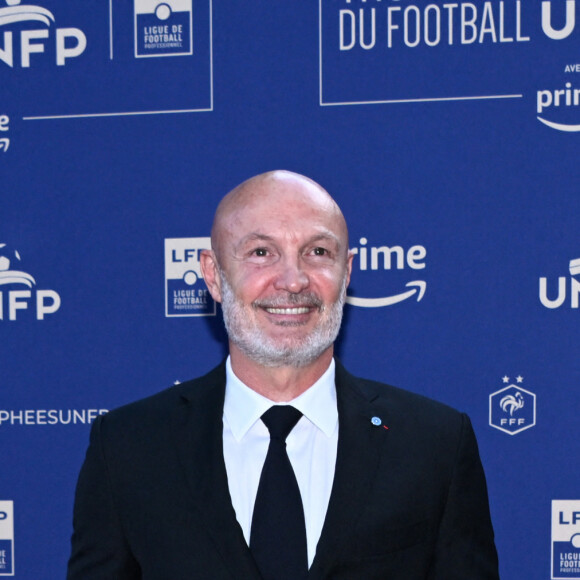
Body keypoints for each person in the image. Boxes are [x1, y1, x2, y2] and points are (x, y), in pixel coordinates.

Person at [67, 170, 499, 579]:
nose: (293, 281)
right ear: (214, 276)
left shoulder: (434, 444)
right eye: (261, 253)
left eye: (317, 252)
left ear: (346, 273)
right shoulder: (127, 447)